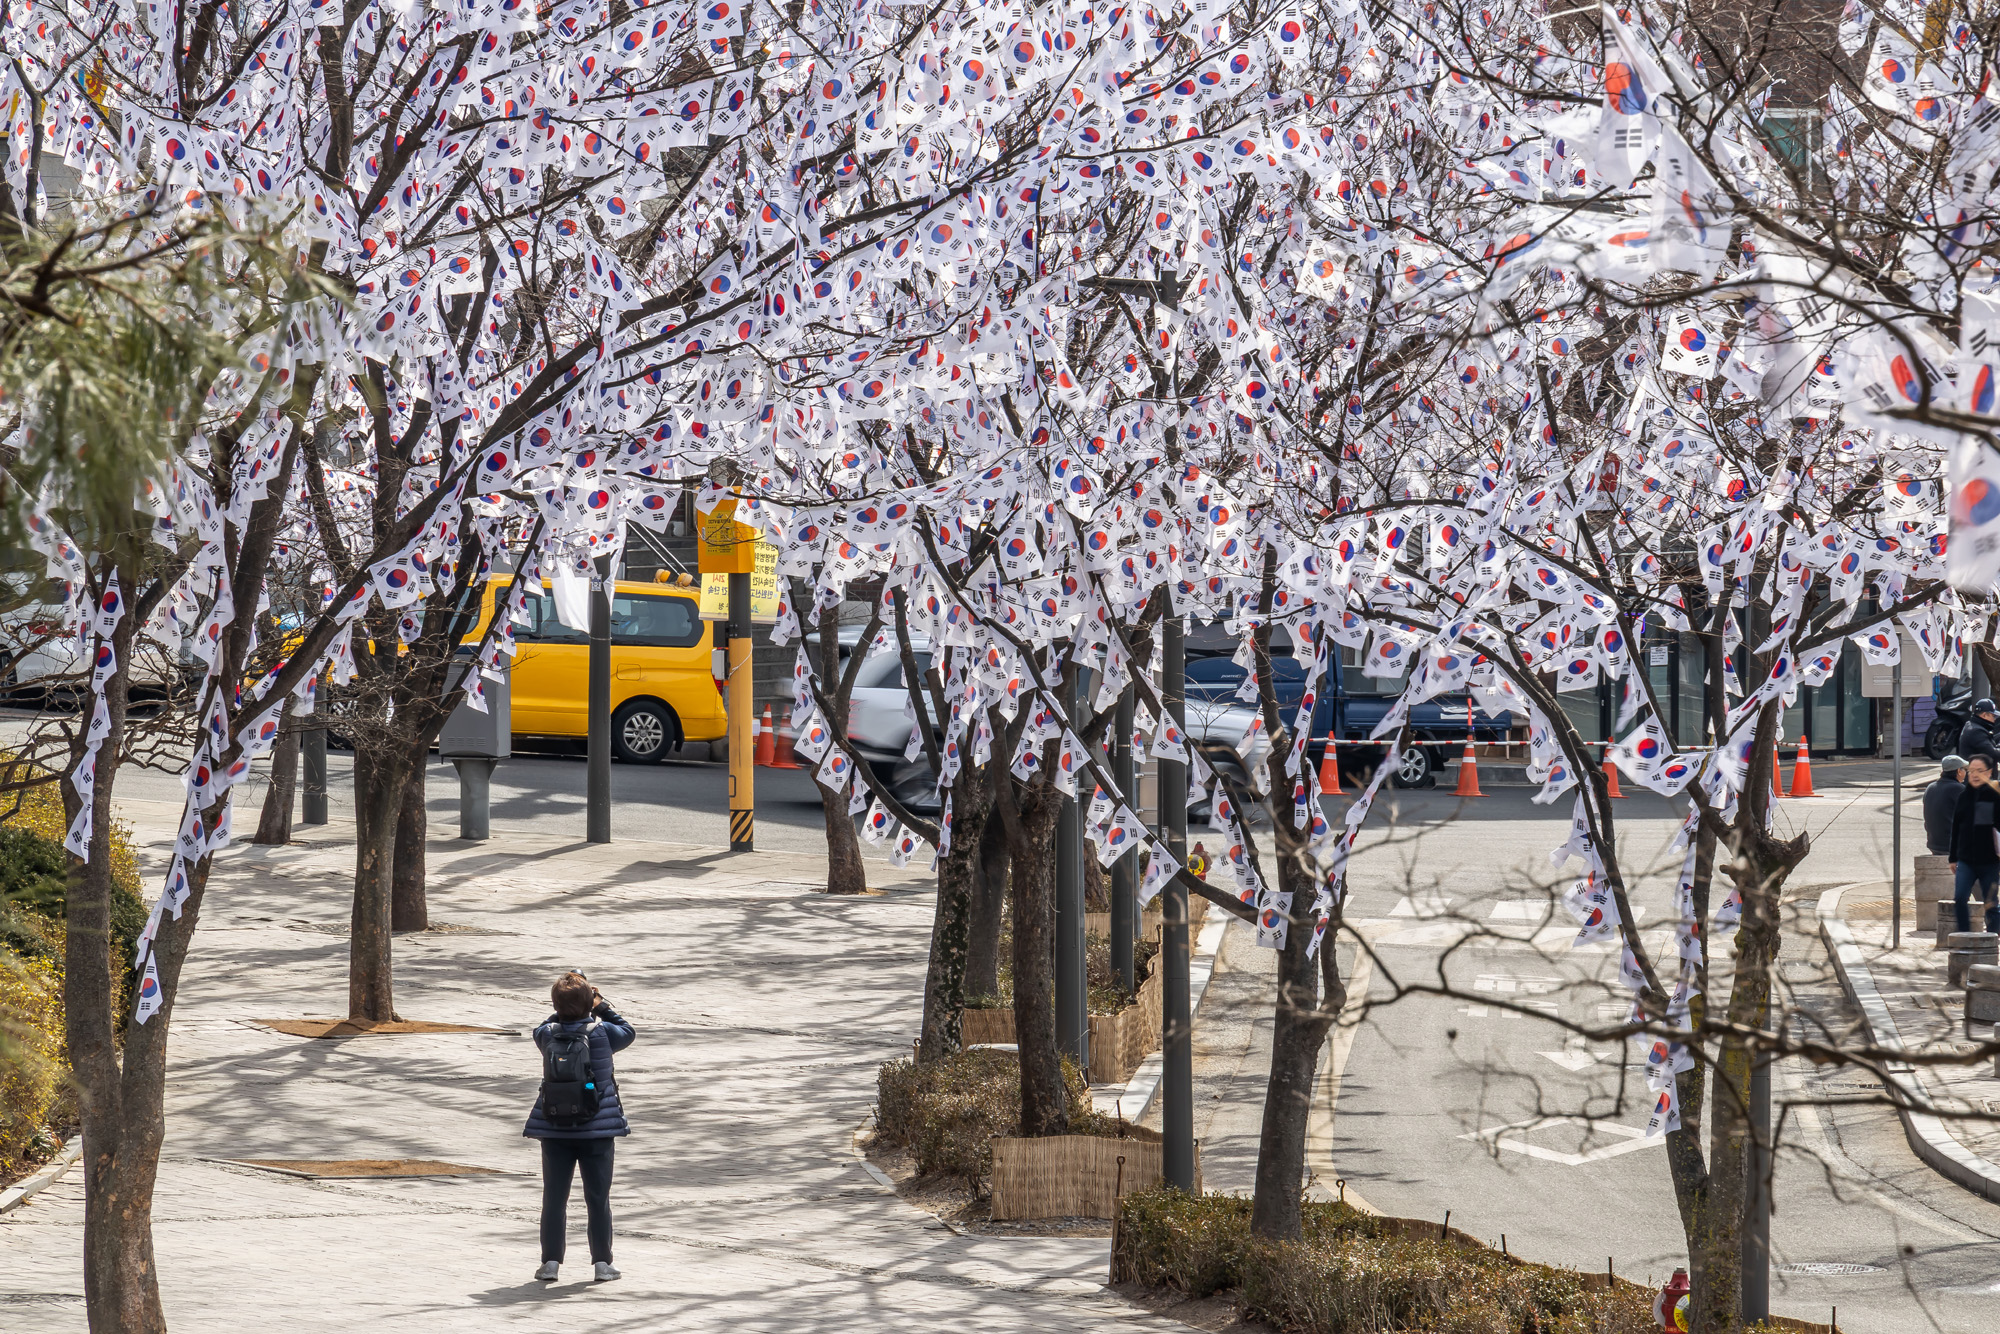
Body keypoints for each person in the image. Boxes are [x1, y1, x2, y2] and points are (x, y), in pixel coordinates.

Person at [524, 971, 634, 1283]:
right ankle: (602, 1264)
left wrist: (564, 1006)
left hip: (554, 1130)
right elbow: (628, 1030)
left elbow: (542, 1026)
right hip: (597, 1130)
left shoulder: (547, 1035)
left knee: (554, 1198)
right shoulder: (604, 1035)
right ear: (590, 1003)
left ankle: (550, 1264)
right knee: (597, 1198)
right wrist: (599, 1005)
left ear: (555, 1004)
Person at [1947, 755, 2000, 935]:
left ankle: (1992, 938)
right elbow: (1956, 828)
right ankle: (1963, 937)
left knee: (1990, 903)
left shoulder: (1996, 795)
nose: (1975, 775)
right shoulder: (1963, 796)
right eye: (1971, 771)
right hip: (1966, 860)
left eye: (1980, 771)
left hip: (1990, 860)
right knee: (1960, 898)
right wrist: (1953, 858)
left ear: (1989, 772)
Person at [1926, 755, 1967, 857]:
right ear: (1959, 771)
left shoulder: (1931, 787)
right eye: (1965, 770)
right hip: (1951, 846)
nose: (1966, 773)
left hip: (1933, 843)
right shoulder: (1958, 789)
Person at [1958, 699, 2000, 770]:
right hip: (1978, 777)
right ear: (1984, 715)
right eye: (1993, 716)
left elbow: (1989, 743)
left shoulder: (1972, 725)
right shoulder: (1976, 731)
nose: (1994, 719)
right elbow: (1993, 754)